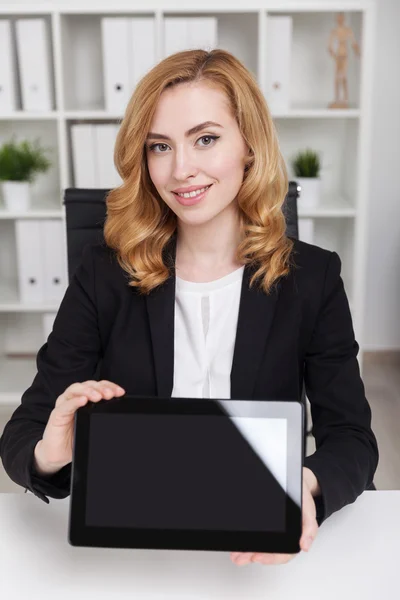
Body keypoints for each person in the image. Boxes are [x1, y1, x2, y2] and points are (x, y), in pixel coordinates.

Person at [0, 48, 378, 567]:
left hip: (255, 540)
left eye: (206, 138)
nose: (181, 169)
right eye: (160, 146)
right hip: (132, 540)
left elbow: (352, 438)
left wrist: (301, 488)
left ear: (249, 145)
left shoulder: (311, 278)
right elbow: (23, 434)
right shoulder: (104, 272)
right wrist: (52, 452)